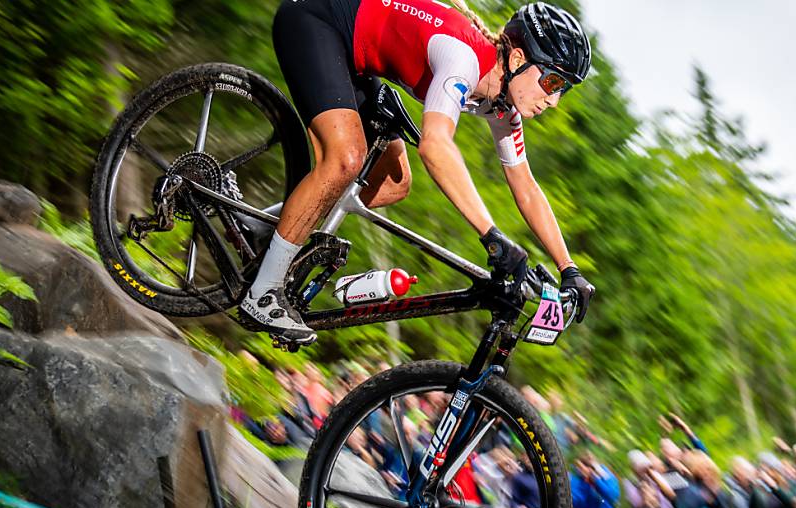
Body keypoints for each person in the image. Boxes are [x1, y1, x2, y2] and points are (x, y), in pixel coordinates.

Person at [238, 0, 596, 345]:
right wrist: (491, 235)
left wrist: (569, 268)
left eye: (562, 89)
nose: (554, 99)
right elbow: (435, 147)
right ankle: (263, 294)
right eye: (552, 82)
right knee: (346, 159)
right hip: (318, 20)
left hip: (356, 58)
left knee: (394, 184)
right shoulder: (465, 59)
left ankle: (264, 226)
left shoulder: (502, 104)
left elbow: (526, 185)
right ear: (518, 58)